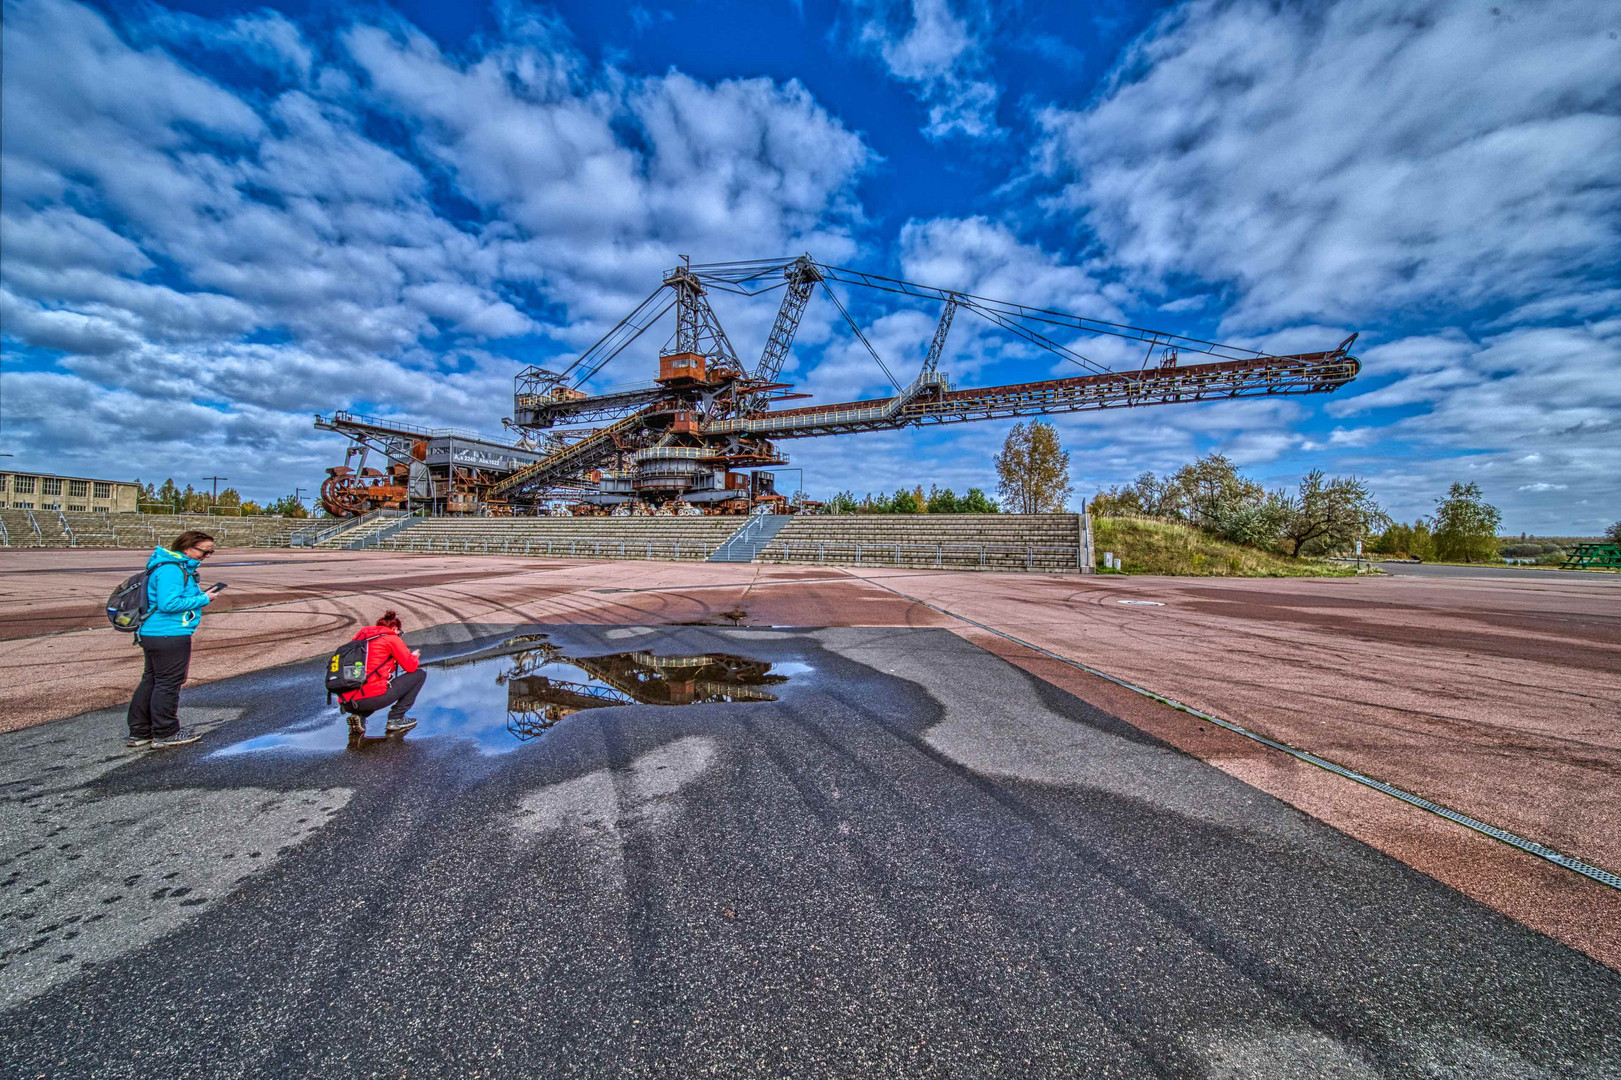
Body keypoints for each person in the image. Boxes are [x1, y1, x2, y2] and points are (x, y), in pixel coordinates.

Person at [127, 530, 226, 749]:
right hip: (169, 633)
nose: (207, 556)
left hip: (155, 633)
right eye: (205, 551)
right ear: (187, 547)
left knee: (152, 680)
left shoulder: (170, 567)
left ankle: (141, 731)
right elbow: (168, 604)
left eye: (211, 552)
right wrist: (203, 598)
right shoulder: (172, 570)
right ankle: (165, 732)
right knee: (167, 683)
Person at [336, 610, 425, 735]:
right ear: (394, 628)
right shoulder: (391, 639)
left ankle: (359, 716)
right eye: (400, 632)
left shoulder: (360, 637)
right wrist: (414, 656)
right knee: (419, 674)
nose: (399, 635)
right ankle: (396, 718)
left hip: (346, 700)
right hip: (369, 699)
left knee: (369, 684)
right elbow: (410, 667)